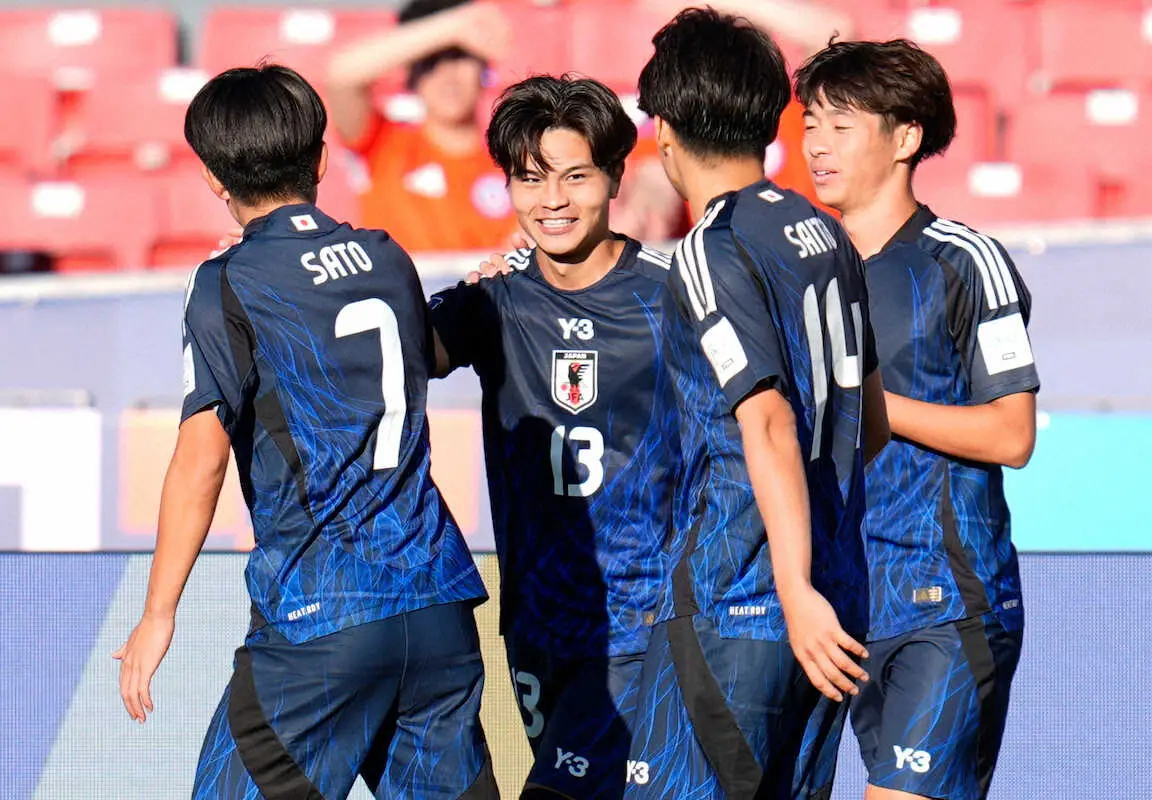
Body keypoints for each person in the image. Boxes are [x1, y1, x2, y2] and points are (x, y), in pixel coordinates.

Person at [112, 65, 497, 800]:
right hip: (438, 611)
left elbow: (201, 458)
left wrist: (158, 614)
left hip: (323, 619)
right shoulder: (386, 256)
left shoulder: (226, 280)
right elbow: (426, 346)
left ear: (212, 179)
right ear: (322, 159)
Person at [623, 9, 890, 799]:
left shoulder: (710, 247)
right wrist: (812, 589)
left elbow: (766, 418)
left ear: (663, 132)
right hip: (834, 604)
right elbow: (867, 422)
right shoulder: (822, 231)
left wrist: (789, 585)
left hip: (744, 598)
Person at [795, 40, 1037, 800]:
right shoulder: (792, 266)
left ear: (904, 138)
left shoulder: (964, 260)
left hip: (944, 602)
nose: (816, 145)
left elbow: (1012, 434)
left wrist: (873, 408)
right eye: (809, 124)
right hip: (825, 613)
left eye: (840, 125)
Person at [427, 75, 680, 799]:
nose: (553, 200)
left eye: (576, 176)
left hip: (639, 626)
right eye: (531, 180)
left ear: (615, 176)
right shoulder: (492, 301)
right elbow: (400, 355)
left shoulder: (671, 299)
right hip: (534, 626)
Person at [611, 0, 853, 242]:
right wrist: (644, 218)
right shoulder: (682, 123)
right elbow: (654, 189)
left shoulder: (802, 105)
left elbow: (836, 34)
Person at [327, 0, 516, 251]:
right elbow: (341, 76)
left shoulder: (515, 158)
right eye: (430, 63)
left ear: (485, 68)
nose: (448, 77)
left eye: (459, 58)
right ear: (412, 76)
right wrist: (455, 26)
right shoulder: (385, 144)